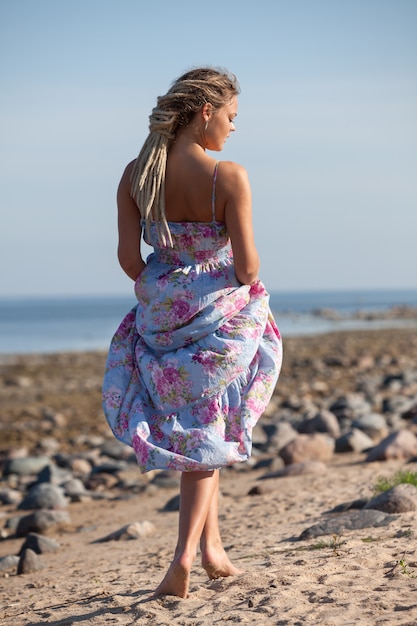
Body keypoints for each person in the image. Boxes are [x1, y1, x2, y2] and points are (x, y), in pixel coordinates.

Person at [102, 67, 283, 599]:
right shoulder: (228, 176)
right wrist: (212, 272)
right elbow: (248, 270)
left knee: (211, 424)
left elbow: (129, 261)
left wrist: (170, 281)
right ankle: (182, 557)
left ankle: (212, 549)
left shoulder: (137, 173)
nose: (232, 128)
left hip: (162, 315)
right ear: (205, 111)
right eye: (230, 116)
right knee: (206, 434)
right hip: (218, 314)